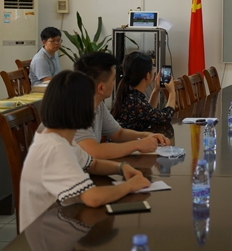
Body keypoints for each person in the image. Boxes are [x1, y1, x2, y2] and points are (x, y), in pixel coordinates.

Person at [19, 70, 150, 231]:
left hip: (61, 223)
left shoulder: (62, 139)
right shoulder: (55, 148)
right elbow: (92, 198)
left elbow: (93, 164)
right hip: (49, 235)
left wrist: (121, 167)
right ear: (80, 109)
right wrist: (130, 186)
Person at [73, 52, 170, 159]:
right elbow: (94, 152)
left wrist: (147, 135)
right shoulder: (76, 111)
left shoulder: (98, 104)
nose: (115, 83)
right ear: (101, 88)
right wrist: (138, 144)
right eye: (113, 79)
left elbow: (119, 133)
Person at [111, 51, 175, 131]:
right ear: (147, 75)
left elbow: (149, 114)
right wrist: (172, 92)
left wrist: (156, 90)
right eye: (152, 69)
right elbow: (166, 117)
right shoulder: (136, 102)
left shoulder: (128, 95)